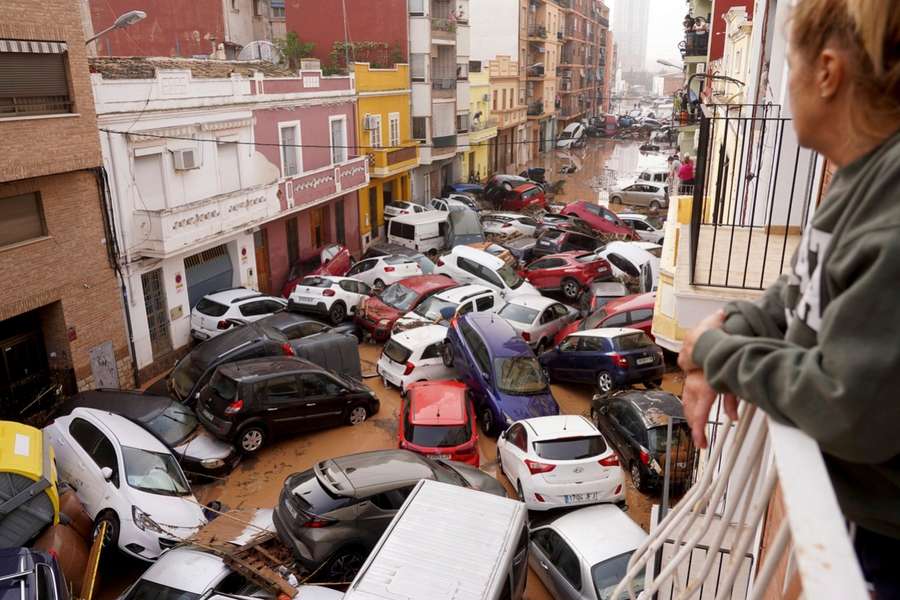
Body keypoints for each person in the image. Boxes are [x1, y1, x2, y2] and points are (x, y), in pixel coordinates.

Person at [677, 0, 900, 596]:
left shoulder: (891, 206)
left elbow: (845, 404)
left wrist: (718, 352)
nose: (786, 85)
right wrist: (726, 329)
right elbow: (797, 292)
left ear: (827, 73)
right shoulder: (858, 176)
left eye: (790, 65)